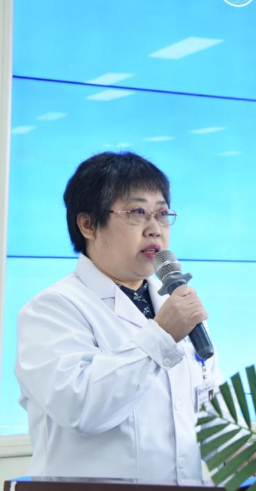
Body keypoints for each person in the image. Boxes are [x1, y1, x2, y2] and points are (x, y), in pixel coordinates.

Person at [15, 151, 221, 482]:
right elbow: (82, 408)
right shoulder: (52, 309)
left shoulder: (180, 306)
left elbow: (209, 413)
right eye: (138, 213)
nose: (155, 230)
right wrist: (161, 336)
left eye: (162, 214)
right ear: (88, 224)